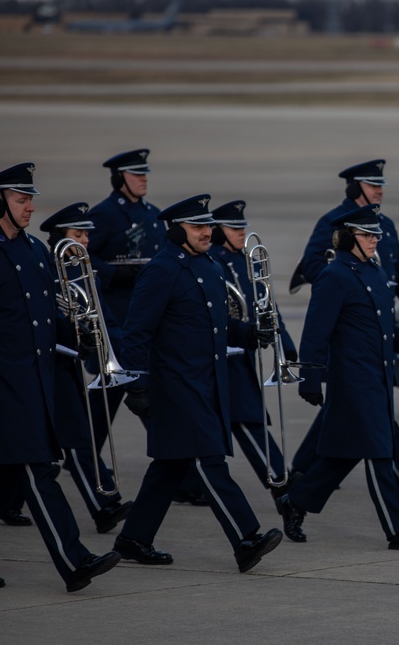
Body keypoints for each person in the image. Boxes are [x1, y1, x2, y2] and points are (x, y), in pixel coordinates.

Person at [112, 194, 283, 573]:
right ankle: (245, 537)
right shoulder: (161, 270)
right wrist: (136, 384)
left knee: (169, 467)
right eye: (198, 227)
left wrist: (249, 333)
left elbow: (214, 325)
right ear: (176, 232)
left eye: (208, 226)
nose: (208, 232)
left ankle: (133, 538)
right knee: (210, 460)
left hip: (209, 382)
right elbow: (136, 333)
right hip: (175, 385)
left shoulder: (208, 265)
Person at [278, 204, 399, 551]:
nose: (374, 241)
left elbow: (381, 328)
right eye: (366, 235)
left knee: (342, 455)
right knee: (381, 453)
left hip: (377, 376)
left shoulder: (373, 272)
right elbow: (315, 332)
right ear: (349, 236)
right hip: (351, 380)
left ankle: (296, 500)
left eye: (376, 234)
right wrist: (310, 378)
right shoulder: (335, 276)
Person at [0, 162, 121, 592]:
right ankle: (75, 561)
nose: (30, 207)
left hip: (34, 383)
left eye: (30, 199)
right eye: (20, 199)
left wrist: (81, 335)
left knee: (21, 470)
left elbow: (48, 315)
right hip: (5, 385)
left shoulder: (34, 251)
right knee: (38, 470)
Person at [290, 159, 399, 493]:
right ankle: (397, 470)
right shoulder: (332, 223)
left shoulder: (387, 225)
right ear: (354, 188)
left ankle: (302, 475)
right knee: (365, 410)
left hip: (376, 325)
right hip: (349, 325)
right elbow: (312, 265)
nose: (379, 189)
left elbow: (396, 273)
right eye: (372, 185)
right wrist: (349, 289)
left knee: (350, 411)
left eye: (380, 184)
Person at [85, 149, 206, 506]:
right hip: (115, 323)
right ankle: (78, 462)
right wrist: (112, 273)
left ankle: (183, 478)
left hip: (144, 326)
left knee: (147, 404)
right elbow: (80, 253)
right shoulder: (104, 215)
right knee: (98, 414)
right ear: (119, 178)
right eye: (136, 175)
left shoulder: (154, 216)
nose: (143, 179)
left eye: (145, 174)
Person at [40, 202, 134, 534]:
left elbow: (105, 319)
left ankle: (104, 504)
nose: (85, 241)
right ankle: (103, 504)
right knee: (66, 442)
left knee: (71, 440)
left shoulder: (85, 271)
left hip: (70, 368)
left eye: (86, 235)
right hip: (48, 367)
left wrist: (118, 354)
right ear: (60, 238)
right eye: (78, 234)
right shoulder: (46, 270)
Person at [209, 200, 297, 510]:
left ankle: (282, 484)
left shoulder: (248, 261)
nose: (241, 232)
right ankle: (282, 487)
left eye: (242, 226)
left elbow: (266, 304)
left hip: (241, 355)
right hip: (219, 357)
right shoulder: (211, 262)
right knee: (246, 423)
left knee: (241, 424)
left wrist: (283, 342)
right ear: (217, 232)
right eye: (234, 228)